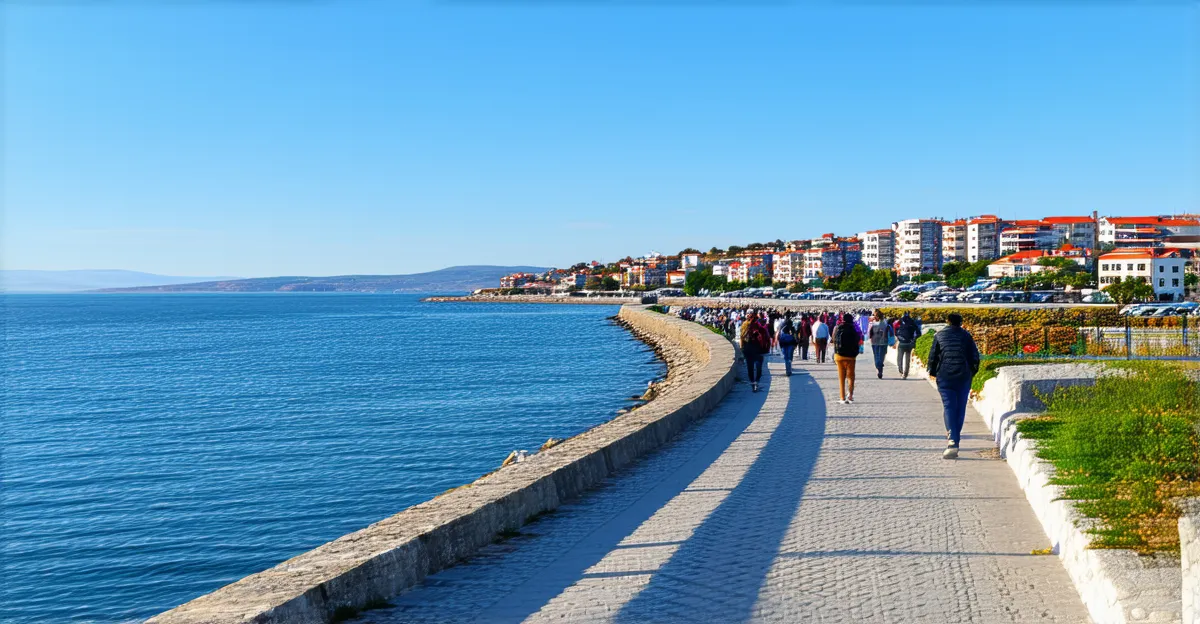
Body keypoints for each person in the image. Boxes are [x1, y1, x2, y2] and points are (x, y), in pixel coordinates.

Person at [926, 312, 981, 459]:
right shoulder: (966, 335)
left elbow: (933, 357)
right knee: (960, 407)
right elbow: (974, 356)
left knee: (949, 406)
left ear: (947, 321)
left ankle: (952, 440)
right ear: (961, 322)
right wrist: (971, 372)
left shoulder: (939, 335)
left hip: (945, 376)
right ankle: (955, 437)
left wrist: (932, 372)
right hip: (963, 376)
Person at [831, 312, 861, 404]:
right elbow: (858, 340)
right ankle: (850, 396)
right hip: (851, 356)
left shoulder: (837, 328)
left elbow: (833, 339)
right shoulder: (854, 328)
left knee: (841, 377)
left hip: (839, 356)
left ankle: (842, 398)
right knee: (851, 376)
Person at [740, 311, 771, 392]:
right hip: (757, 349)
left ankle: (753, 383)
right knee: (758, 367)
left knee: (750, 368)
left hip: (748, 348)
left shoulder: (744, 325)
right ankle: (756, 382)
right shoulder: (759, 326)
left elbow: (741, 337)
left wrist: (741, 349)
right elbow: (766, 337)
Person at [894, 311, 920, 379]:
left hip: (902, 343)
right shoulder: (912, 322)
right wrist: (913, 340)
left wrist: (898, 336)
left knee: (899, 358)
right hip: (909, 343)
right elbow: (918, 333)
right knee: (907, 360)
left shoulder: (900, 322)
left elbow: (895, 328)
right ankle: (905, 374)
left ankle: (900, 371)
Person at [868, 311, 893, 379]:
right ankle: (880, 369)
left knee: (877, 357)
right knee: (881, 357)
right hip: (882, 343)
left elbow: (869, 334)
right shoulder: (886, 324)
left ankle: (879, 368)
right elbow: (891, 333)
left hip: (876, 342)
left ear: (878, 317)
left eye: (875, 315)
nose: (874, 317)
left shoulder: (873, 324)